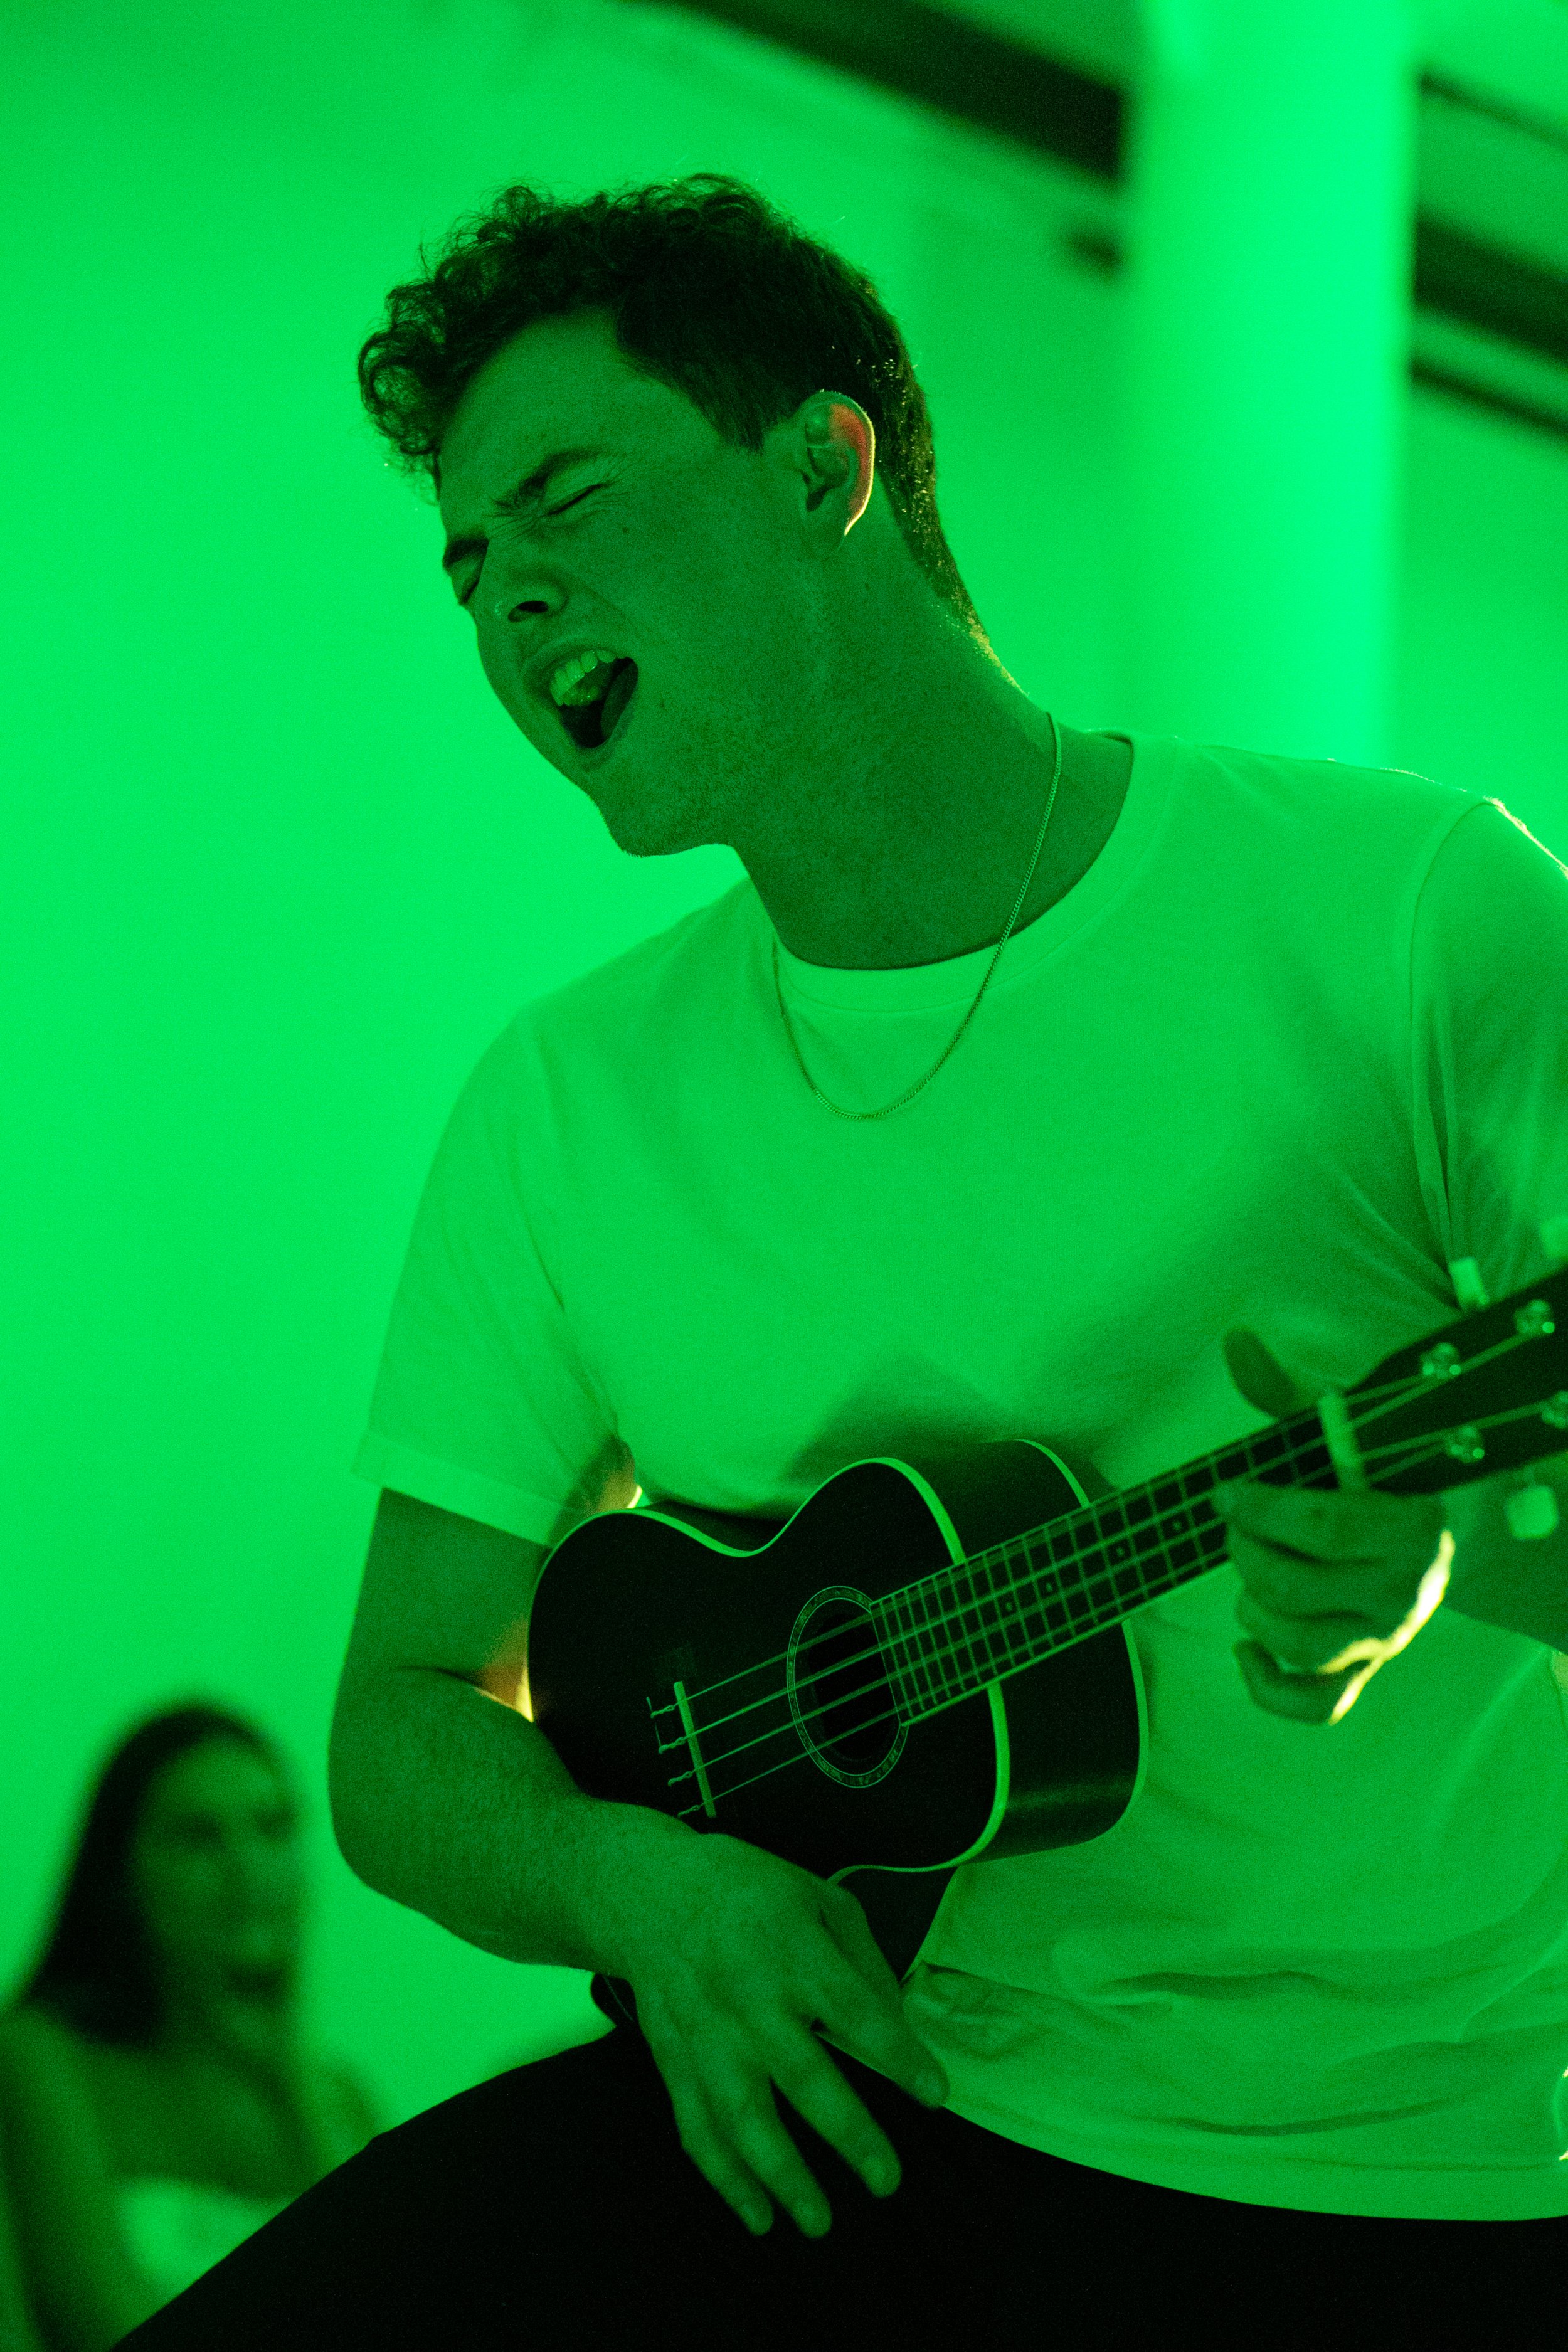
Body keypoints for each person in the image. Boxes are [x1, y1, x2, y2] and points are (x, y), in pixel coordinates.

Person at [117, 174, 1568, 2346]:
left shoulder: (1415, 913)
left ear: (824, 466)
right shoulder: (562, 1101)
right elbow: (398, 1728)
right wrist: (640, 1884)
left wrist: (1463, 1555)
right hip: (858, 2099)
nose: (512, 604)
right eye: (471, 568)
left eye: (563, 501)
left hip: (1411, 2178)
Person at [0, 1705, 379, 2348]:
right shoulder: (45, 2058)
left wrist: (297, 2083)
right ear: (122, 1875)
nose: (248, 1868)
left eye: (273, 1828)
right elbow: (108, 2322)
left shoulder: (342, 2100)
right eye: (199, 1837)